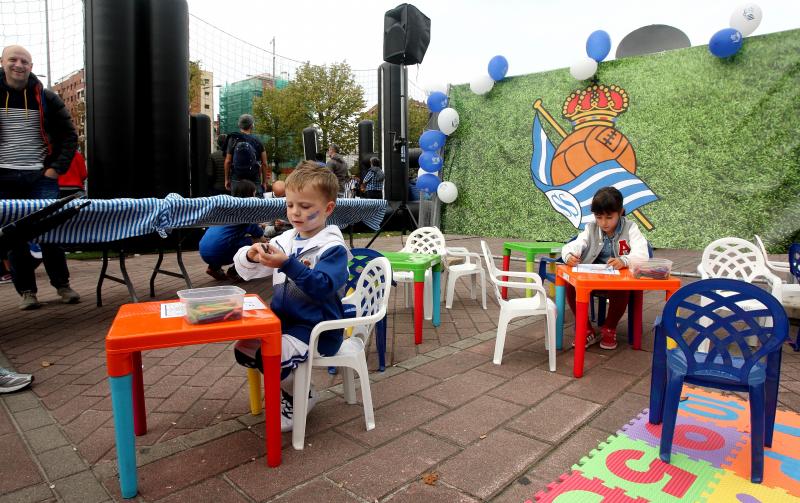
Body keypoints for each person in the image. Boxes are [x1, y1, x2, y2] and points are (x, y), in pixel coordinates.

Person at [231, 163, 349, 432]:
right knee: (245, 349)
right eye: (291, 204)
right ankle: (293, 389)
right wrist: (249, 255)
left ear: (328, 209)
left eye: (306, 207)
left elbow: (324, 286)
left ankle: (298, 397)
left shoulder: (333, 248)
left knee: (272, 356)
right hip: (283, 323)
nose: (296, 212)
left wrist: (288, 265)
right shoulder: (285, 240)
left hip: (317, 328)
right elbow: (247, 273)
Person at [0, 45, 80, 310]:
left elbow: (69, 135)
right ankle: (27, 292)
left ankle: (63, 285)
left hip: (41, 177)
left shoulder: (46, 98)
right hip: (4, 178)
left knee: (51, 232)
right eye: (13, 59)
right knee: (15, 237)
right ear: (3, 62)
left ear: (31, 67)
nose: (19, 65)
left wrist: (54, 169)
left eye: (25, 61)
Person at [559, 186, 648, 350]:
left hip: (617, 281)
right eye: (599, 217)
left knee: (622, 287)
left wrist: (625, 260)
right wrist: (569, 255)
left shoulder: (631, 228)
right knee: (571, 284)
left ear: (620, 212)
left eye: (609, 217)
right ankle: (585, 328)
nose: (604, 223)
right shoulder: (591, 228)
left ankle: (609, 327)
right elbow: (576, 244)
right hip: (594, 278)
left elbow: (643, 254)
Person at [199, 179, 265, 281]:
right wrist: (267, 242)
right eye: (255, 193)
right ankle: (236, 271)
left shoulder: (224, 208)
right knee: (258, 244)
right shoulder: (245, 211)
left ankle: (214, 268)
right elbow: (258, 234)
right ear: (251, 194)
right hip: (220, 252)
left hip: (204, 251)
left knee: (227, 239)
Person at [225, 114, 269, 196]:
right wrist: (264, 182)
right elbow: (264, 163)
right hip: (254, 177)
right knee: (256, 203)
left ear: (239, 125)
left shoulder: (233, 139)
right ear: (252, 125)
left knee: (236, 203)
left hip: (237, 177)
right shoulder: (258, 140)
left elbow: (228, 161)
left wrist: (226, 179)